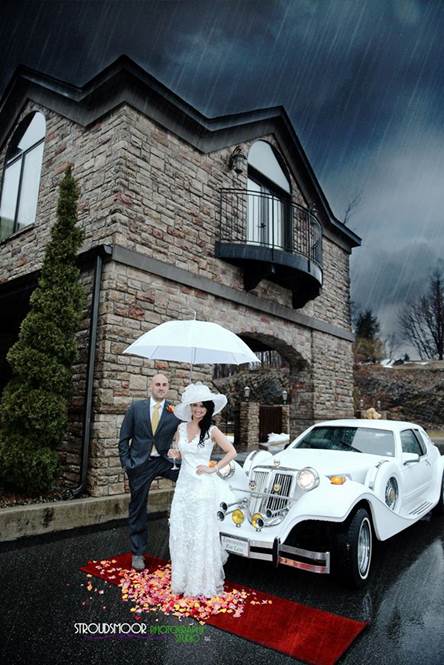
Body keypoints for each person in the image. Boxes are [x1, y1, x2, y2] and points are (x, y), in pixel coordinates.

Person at [167, 382, 237, 598]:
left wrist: (213, 467)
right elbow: (179, 452)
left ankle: (199, 582)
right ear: (189, 407)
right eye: (194, 405)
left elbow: (231, 452)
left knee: (199, 534)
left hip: (202, 487)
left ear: (208, 409)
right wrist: (175, 454)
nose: (198, 410)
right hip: (184, 487)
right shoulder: (180, 428)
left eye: (202, 406)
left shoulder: (212, 430)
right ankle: (183, 578)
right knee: (181, 532)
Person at [118, 373, 181, 571]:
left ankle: (187, 543)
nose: (161, 388)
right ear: (150, 387)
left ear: (167, 388)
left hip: (164, 461)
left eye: (164, 385)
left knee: (190, 479)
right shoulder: (136, 408)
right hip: (140, 464)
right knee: (138, 506)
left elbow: (187, 432)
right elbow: (123, 439)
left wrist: (179, 448)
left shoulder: (175, 411)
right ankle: (138, 553)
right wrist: (127, 463)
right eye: (158, 384)